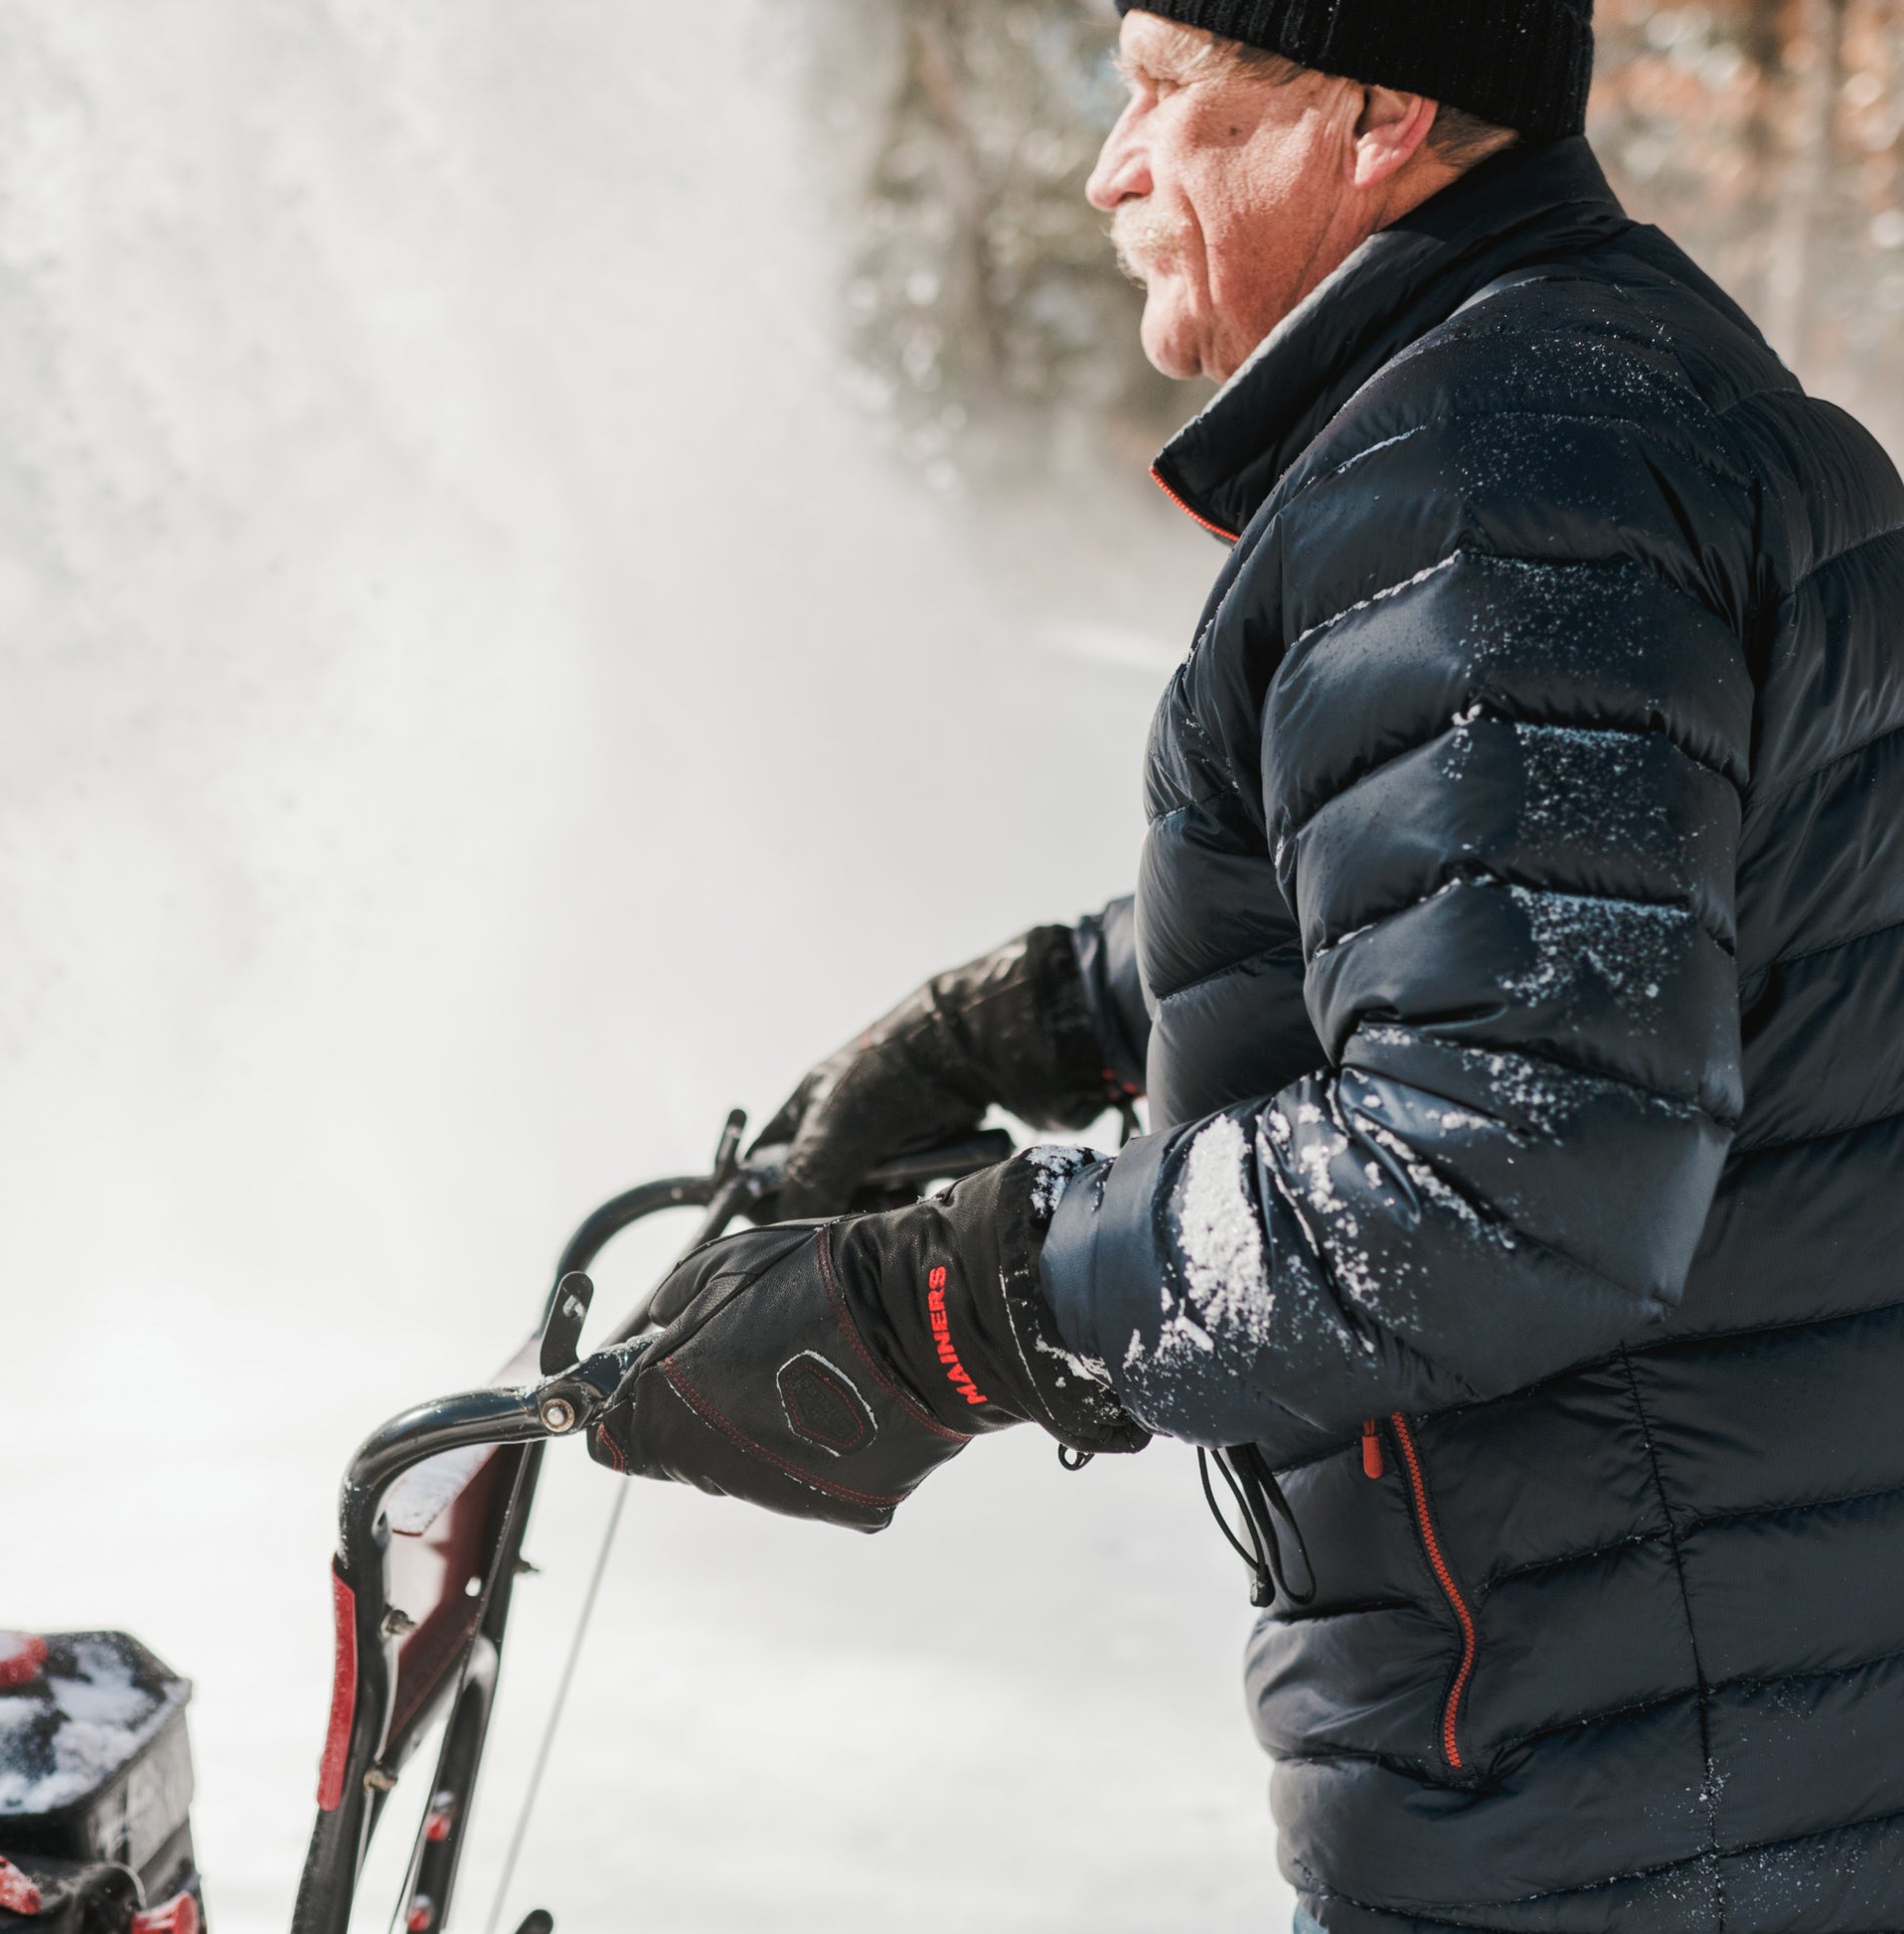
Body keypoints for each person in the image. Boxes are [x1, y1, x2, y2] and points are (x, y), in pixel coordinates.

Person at [586, 1, 1904, 1927]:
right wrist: (1058, 1006)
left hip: (1625, 1815)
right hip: (1747, 1749)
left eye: (1161, 95)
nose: (1109, 167)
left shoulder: (1485, 478)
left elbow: (1510, 1168)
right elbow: (1587, 897)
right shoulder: (1621, 391)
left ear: (1371, 111)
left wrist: (964, 1303)